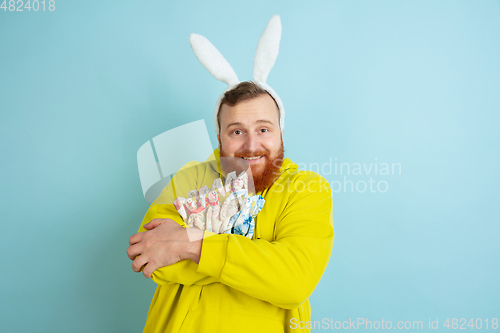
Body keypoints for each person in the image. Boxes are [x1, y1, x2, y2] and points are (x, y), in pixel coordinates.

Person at [127, 16, 334, 332]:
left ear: (280, 133)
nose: (252, 145)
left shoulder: (307, 188)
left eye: (263, 129)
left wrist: (189, 242)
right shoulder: (189, 178)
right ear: (219, 136)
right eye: (237, 131)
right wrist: (258, 260)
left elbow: (292, 280)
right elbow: (152, 258)